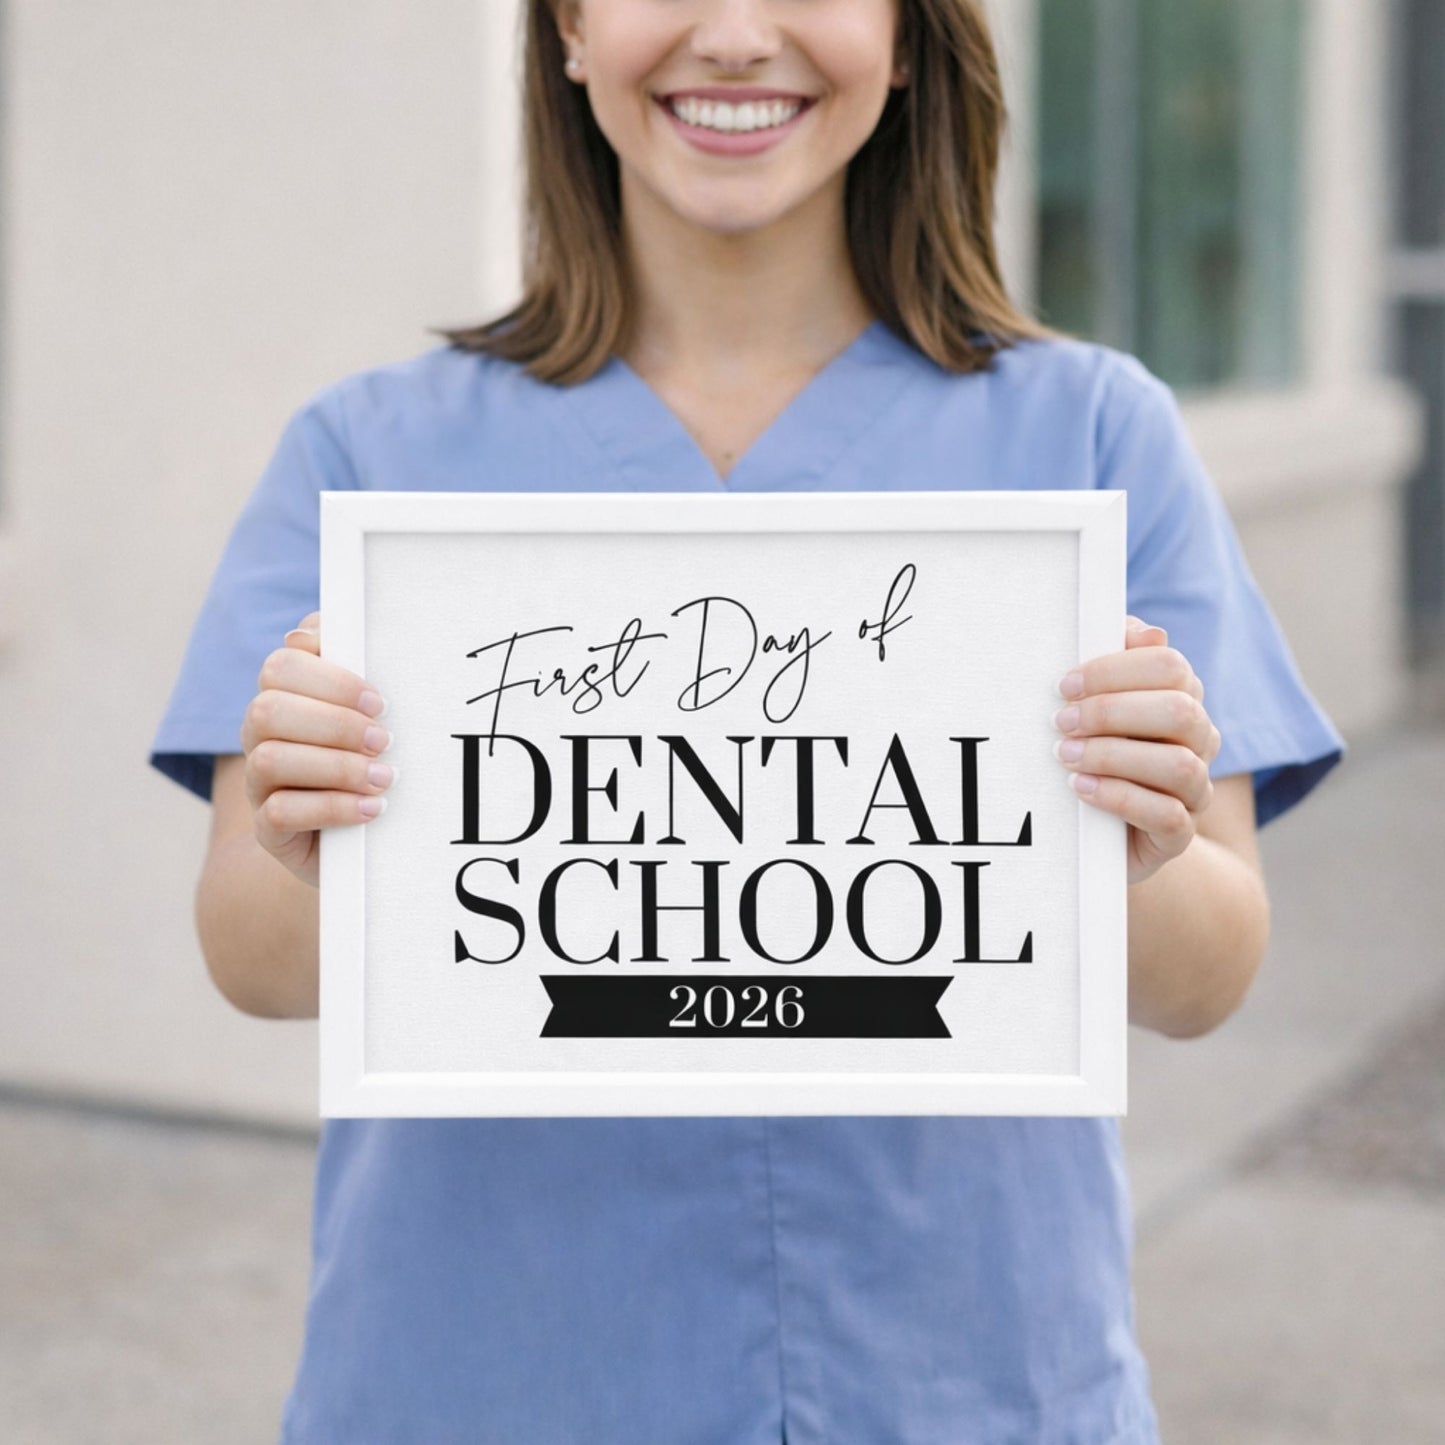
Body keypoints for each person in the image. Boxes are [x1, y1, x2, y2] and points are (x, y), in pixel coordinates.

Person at [148, 1, 1345, 1440]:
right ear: (571, 31)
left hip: (960, 1382)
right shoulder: (368, 455)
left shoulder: (1092, 436)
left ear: (906, 39)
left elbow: (1204, 975)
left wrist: (1134, 845)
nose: (732, 34)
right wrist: (304, 833)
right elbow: (255, 956)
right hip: (482, 1378)